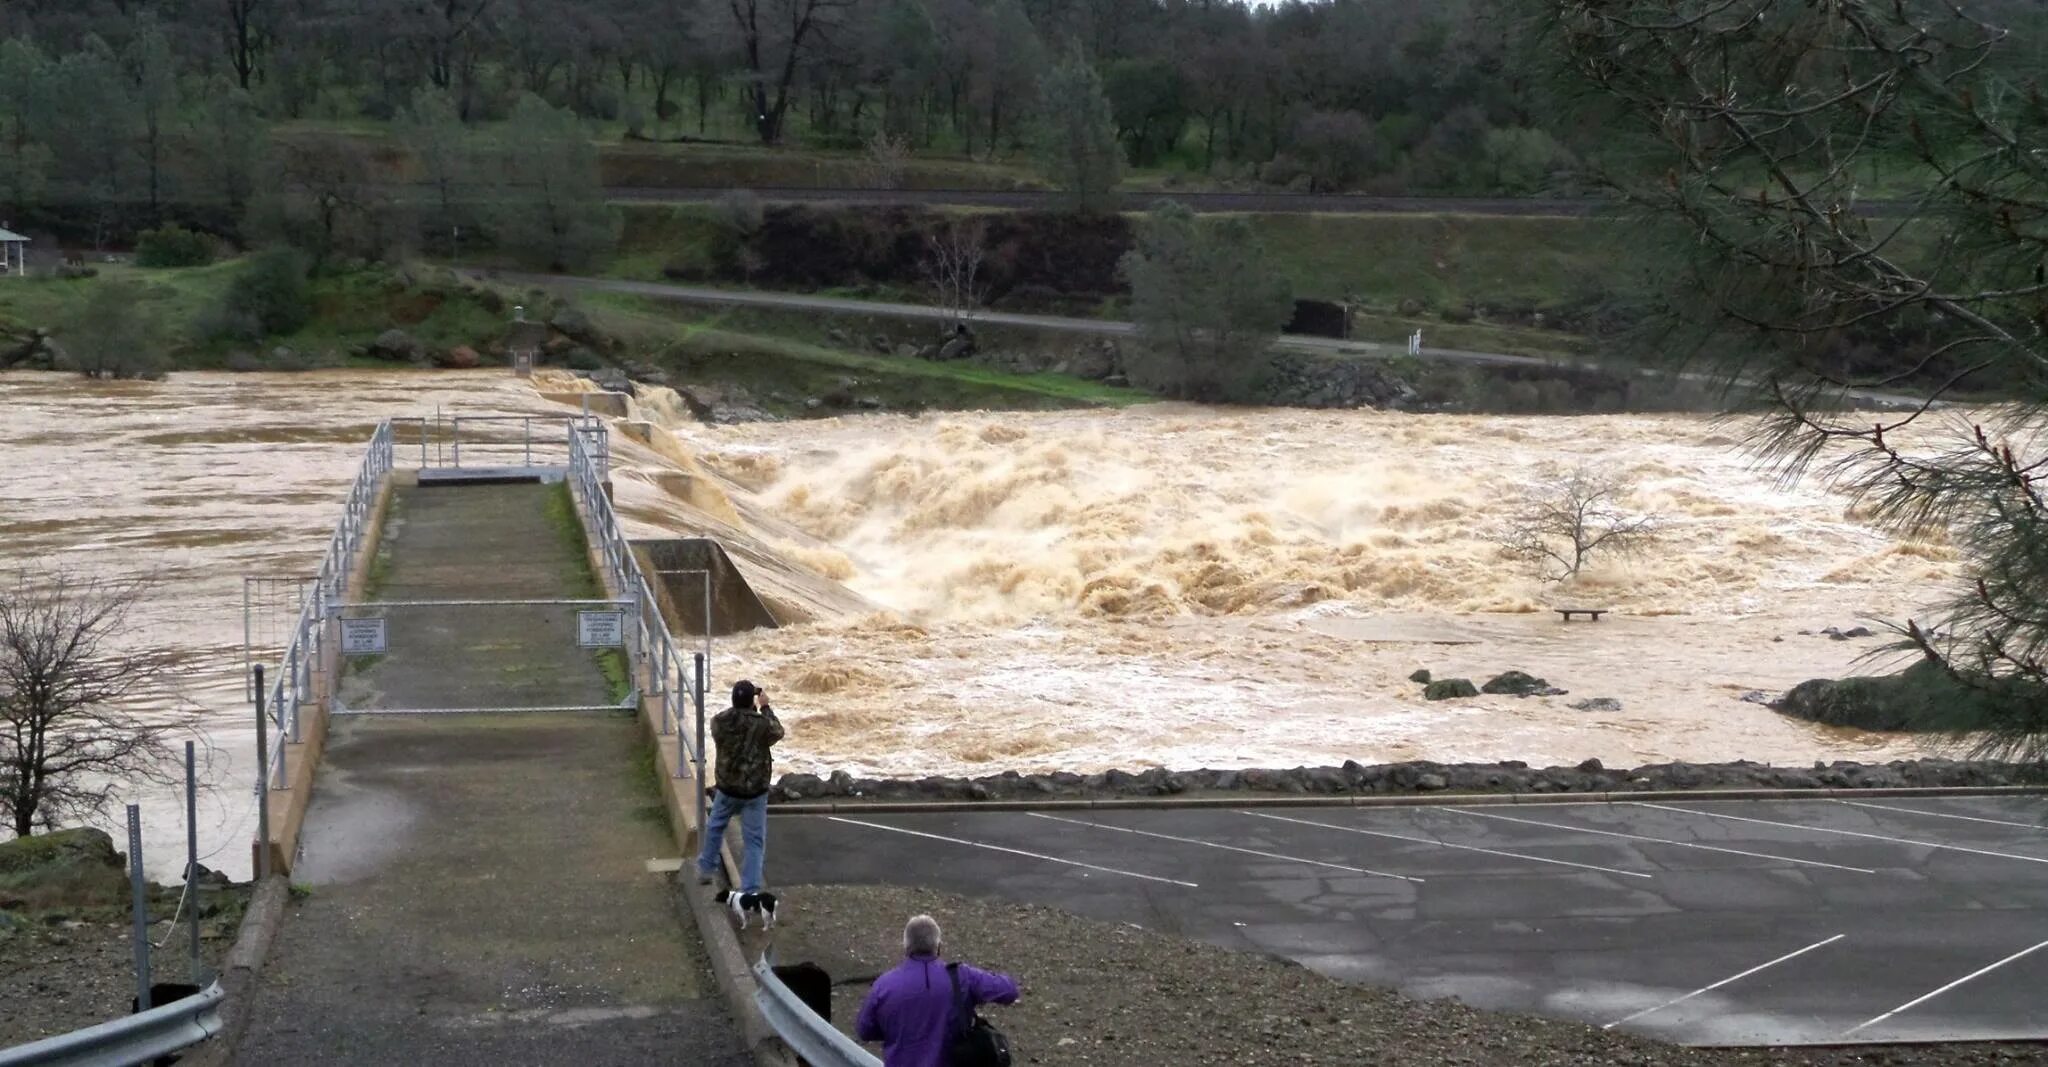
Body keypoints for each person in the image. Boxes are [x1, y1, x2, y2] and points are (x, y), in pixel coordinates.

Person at [856, 914, 1020, 1067]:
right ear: (938, 945)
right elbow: (1009, 991)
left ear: (906, 947)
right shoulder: (962, 977)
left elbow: (864, 1030)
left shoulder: (883, 985)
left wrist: (898, 1030)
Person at [695, 678, 782, 893]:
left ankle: (706, 869)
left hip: (727, 788)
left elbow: (734, 722)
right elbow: (777, 732)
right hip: (755, 792)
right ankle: (750, 889)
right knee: (754, 841)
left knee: (715, 827)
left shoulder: (719, 721)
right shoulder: (761, 724)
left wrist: (747, 706)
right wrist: (765, 707)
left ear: (733, 699)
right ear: (752, 701)